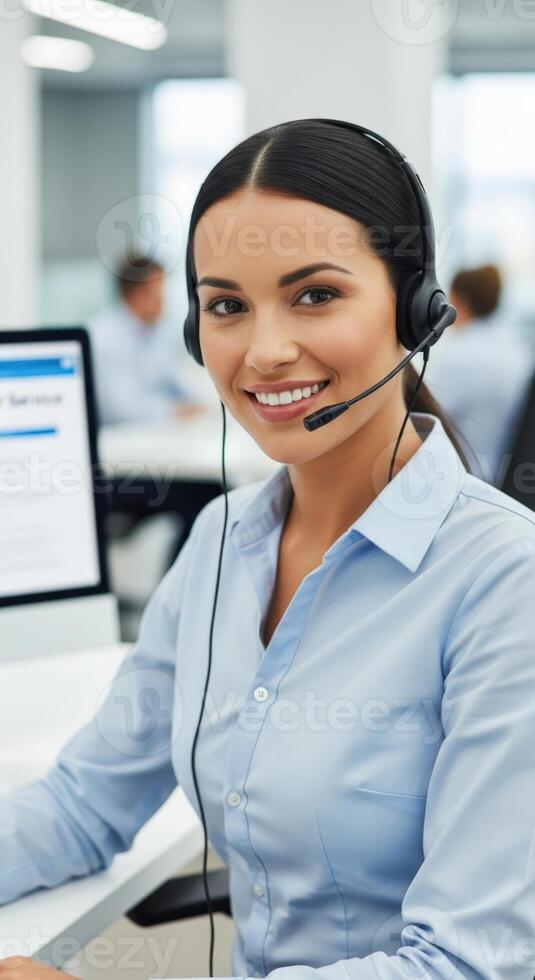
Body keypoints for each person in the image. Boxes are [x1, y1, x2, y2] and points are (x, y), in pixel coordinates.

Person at [1, 119, 535, 980]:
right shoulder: (220, 542)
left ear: (416, 309)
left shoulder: (503, 583)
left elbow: (466, 966)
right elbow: (80, 803)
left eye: (315, 294)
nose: (264, 351)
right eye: (226, 306)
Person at [424, 263, 534, 485]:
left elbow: (423, 419)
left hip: (462, 479)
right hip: (510, 482)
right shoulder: (519, 352)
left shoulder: (458, 356)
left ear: (459, 302)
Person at [87, 253, 206, 425]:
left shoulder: (154, 331)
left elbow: (173, 381)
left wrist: (198, 404)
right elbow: (122, 409)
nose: (163, 301)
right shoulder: (105, 338)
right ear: (138, 295)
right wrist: (176, 411)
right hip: (118, 437)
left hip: (150, 431)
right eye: (158, 292)